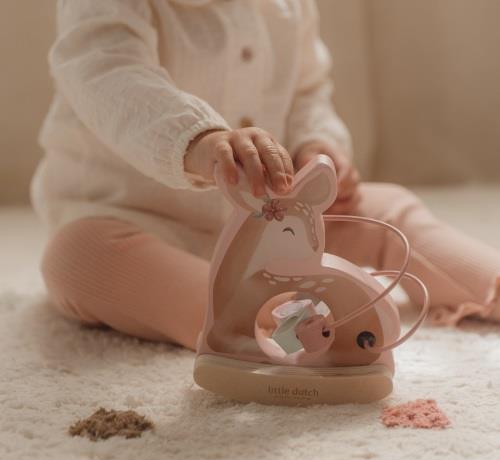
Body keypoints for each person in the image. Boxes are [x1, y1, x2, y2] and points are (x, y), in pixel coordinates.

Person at [33, 0, 500, 350]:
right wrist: (198, 140)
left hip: (276, 221)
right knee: (77, 257)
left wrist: (318, 146)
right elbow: (106, 73)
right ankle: (271, 331)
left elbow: (307, 91)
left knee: (387, 210)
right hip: (136, 221)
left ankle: (489, 283)